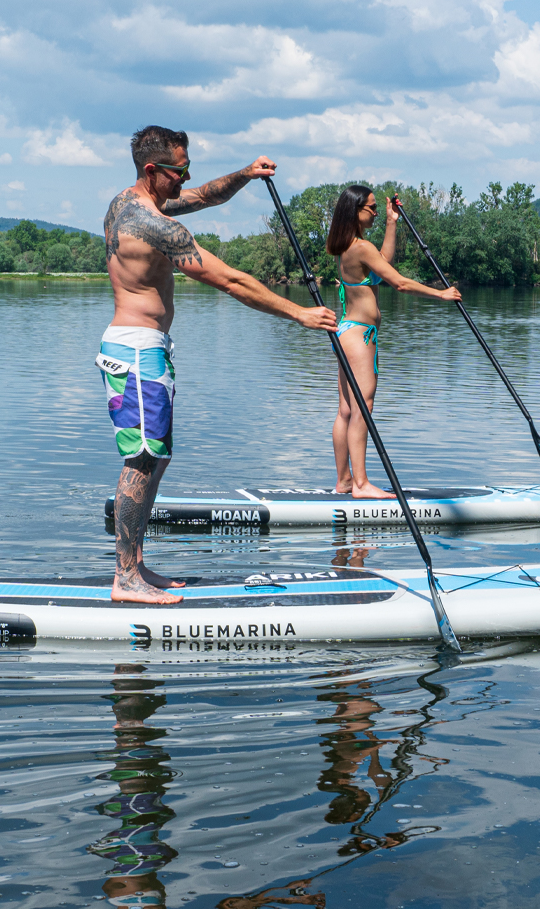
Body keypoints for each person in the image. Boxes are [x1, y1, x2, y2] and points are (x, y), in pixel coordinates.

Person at [99, 125, 337, 604]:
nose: (186, 179)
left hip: (146, 349)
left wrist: (246, 175)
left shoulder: (131, 201)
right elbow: (231, 280)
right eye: (179, 171)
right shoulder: (154, 225)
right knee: (141, 461)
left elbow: (204, 197)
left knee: (155, 458)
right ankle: (125, 578)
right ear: (153, 170)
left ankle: (137, 566)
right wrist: (298, 314)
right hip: (137, 351)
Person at [326, 186, 461, 499]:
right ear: (355, 210)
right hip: (360, 336)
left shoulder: (349, 245)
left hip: (345, 332)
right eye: (371, 208)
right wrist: (440, 294)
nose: (374, 211)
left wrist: (391, 222)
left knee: (346, 411)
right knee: (363, 408)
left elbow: (383, 260)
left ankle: (345, 481)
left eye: (376, 208)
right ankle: (360, 485)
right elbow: (398, 282)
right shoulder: (359, 247)